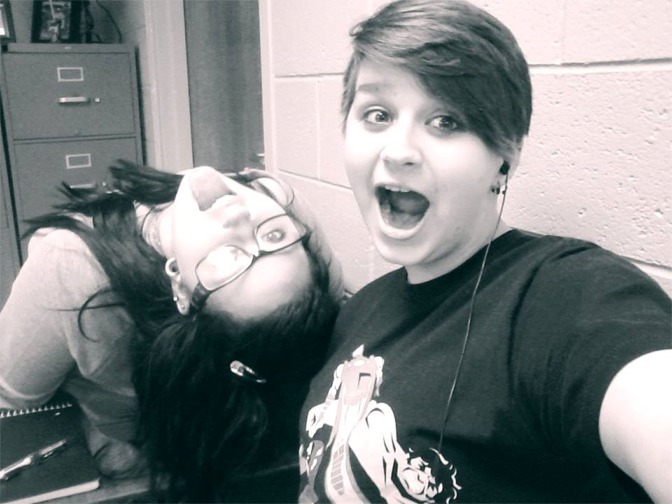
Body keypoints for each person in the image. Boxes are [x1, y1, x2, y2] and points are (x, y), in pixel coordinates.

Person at [298, 0, 672, 502]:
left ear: (505, 154)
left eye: (446, 121)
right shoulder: (360, 311)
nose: (399, 150)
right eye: (377, 114)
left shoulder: (567, 298)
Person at [0, 161, 343, 502]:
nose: (240, 216)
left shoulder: (73, 266)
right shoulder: (279, 200)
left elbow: (11, 405)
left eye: (228, 260)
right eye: (274, 236)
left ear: (179, 285)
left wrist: (94, 442)